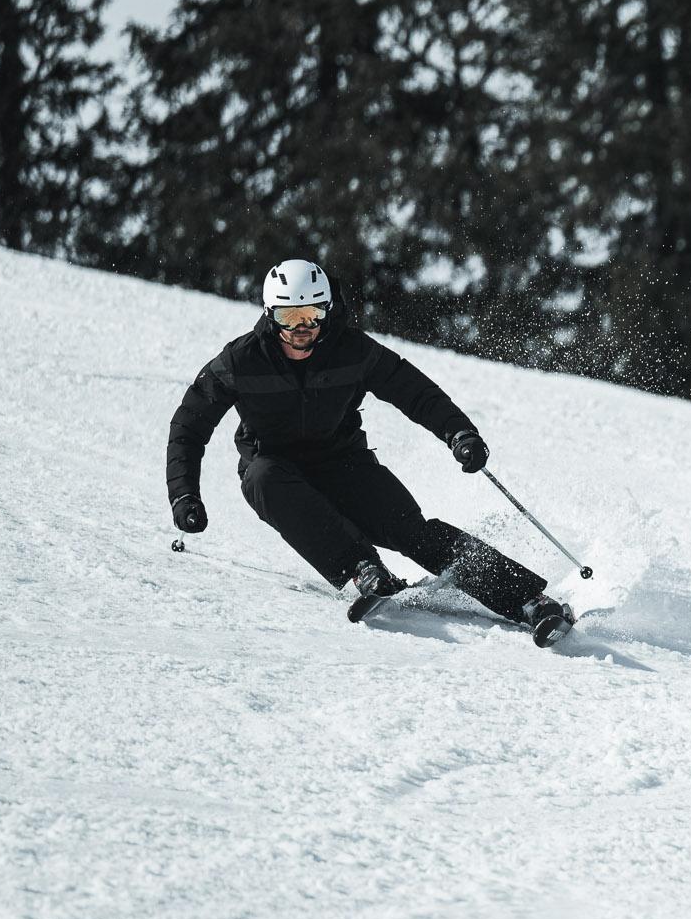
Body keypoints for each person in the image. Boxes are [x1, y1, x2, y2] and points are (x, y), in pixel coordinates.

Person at [166, 259, 573, 638]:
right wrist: (184, 494)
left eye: (313, 316)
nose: (302, 328)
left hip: (345, 465)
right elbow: (189, 426)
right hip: (278, 473)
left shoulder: (352, 350)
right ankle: (363, 570)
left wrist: (459, 434)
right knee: (262, 477)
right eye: (290, 318)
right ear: (270, 316)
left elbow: (414, 391)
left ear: (327, 310)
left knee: (415, 533)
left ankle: (529, 601)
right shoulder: (240, 362)